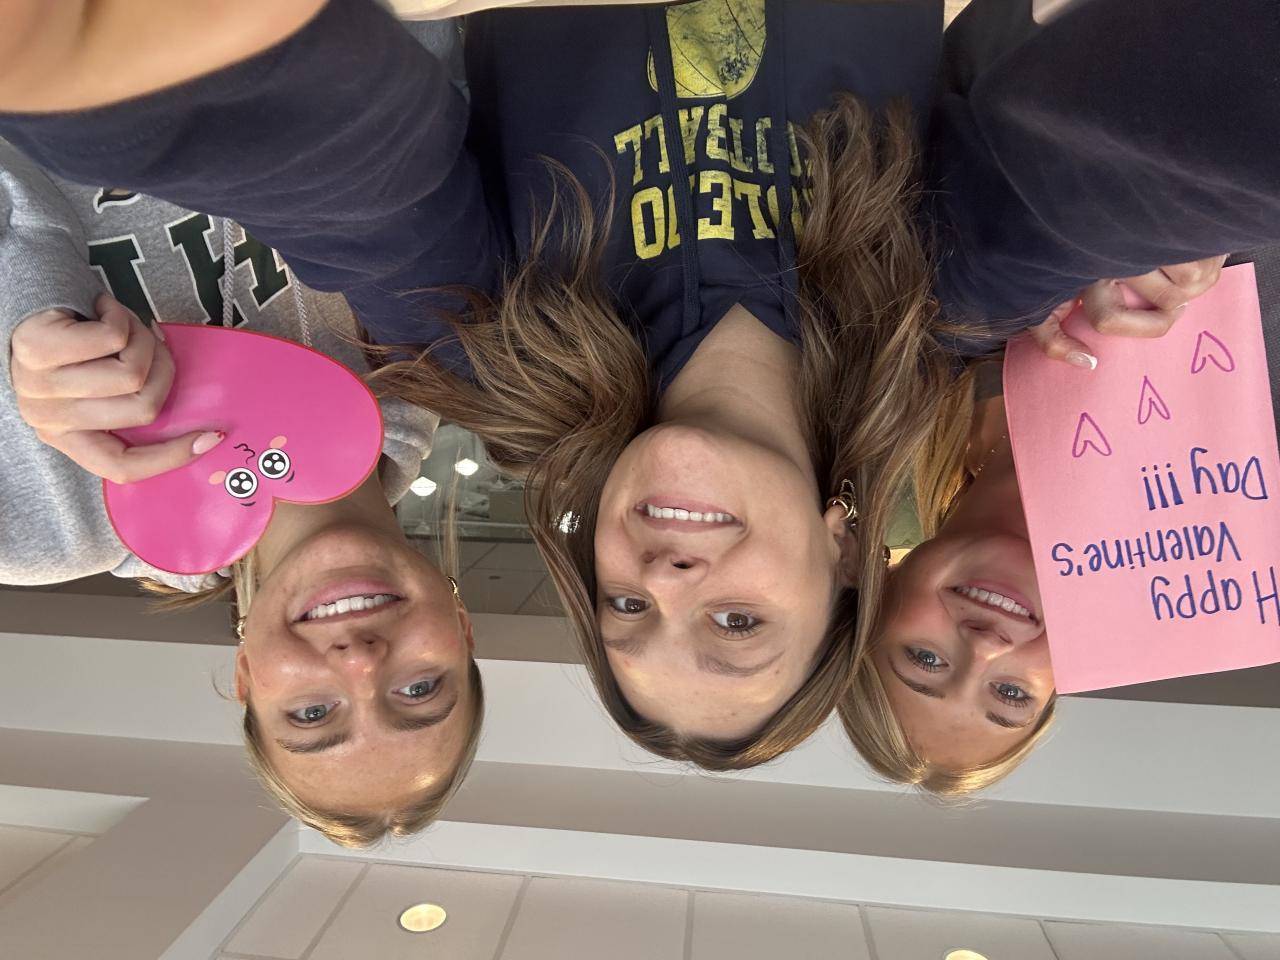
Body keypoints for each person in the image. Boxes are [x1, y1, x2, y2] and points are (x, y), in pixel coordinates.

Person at [0, 0, 962, 769]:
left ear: (245, 679)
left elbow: (364, 191)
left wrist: (81, 81)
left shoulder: (478, 347)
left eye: (627, 610)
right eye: (737, 623)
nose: (667, 583)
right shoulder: (955, 303)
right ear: (847, 557)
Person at [0, 136, 483, 848]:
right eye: (420, 690)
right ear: (463, 630)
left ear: (248, 676)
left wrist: (27, 302)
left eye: (311, 715)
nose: (360, 663)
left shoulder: (32, 526)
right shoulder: (432, 355)